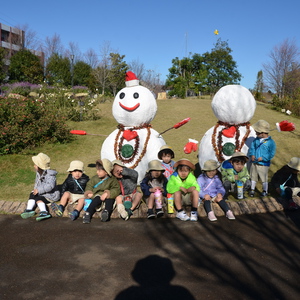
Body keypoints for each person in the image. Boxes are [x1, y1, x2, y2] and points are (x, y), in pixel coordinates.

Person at [21, 153, 60, 221]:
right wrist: (35, 190)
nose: (34, 166)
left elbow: (50, 186)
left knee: (38, 198)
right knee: (32, 194)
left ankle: (44, 212)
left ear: (39, 166)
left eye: (36, 165)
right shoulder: (39, 173)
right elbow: (37, 182)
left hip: (51, 195)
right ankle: (29, 209)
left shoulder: (50, 175)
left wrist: (38, 190)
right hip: (43, 192)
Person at [82, 159, 120, 224]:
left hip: (108, 195)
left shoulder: (112, 180)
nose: (97, 172)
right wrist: (89, 192)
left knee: (110, 200)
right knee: (96, 199)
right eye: (97, 170)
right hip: (98, 194)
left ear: (106, 171)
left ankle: (106, 212)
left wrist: (108, 194)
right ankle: (88, 213)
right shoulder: (95, 178)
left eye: (99, 170)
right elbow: (89, 185)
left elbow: (116, 189)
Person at [248, 120, 276, 197]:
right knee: (253, 176)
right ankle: (252, 190)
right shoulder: (256, 140)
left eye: (257, 132)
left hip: (263, 164)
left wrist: (263, 158)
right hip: (254, 162)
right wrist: (252, 155)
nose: (256, 134)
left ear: (262, 133)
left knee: (264, 178)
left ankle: (265, 191)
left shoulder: (271, 143)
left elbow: (271, 153)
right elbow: (252, 148)